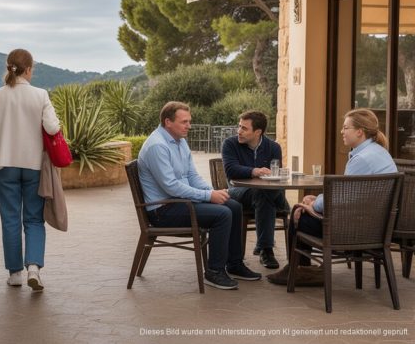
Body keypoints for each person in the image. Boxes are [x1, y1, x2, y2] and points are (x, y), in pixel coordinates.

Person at [138, 101, 261, 290]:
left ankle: (234, 264)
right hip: (163, 210)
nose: (189, 126)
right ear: (168, 122)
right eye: (184, 122)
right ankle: (214, 272)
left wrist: (213, 192)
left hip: (180, 202)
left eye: (189, 121)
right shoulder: (157, 146)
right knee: (222, 214)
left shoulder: (180, 141)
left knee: (233, 206)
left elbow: (191, 176)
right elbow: (171, 187)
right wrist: (207, 196)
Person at [267, 108, 397, 285]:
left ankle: (299, 271)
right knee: (305, 210)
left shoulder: (361, 159)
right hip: (375, 228)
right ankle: (303, 270)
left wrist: (312, 206)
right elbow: (348, 195)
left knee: (299, 217)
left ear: (360, 132)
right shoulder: (379, 153)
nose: (342, 132)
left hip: (352, 230)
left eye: (346, 127)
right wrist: (317, 200)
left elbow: (341, 200)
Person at [0, 48, 60, 291]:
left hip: (5, 165)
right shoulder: (41, 95)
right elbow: (53, 128)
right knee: (34, 219)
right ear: (28, 69)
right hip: (34, 165)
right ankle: (33, 267)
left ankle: (15, 273)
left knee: (10, 219)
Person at [221, 110, 288, 269]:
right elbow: (231, 170)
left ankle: (264, 246)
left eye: (244, 128)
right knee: (267, 195)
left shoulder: (273, 147)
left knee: (264, 194)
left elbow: (276, 174)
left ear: (258, 132)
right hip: (238, 191)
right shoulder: (230, 144)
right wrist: (254, 171)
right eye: (239, 126)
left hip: (265, 194)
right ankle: (266, 249)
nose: (239, 131)